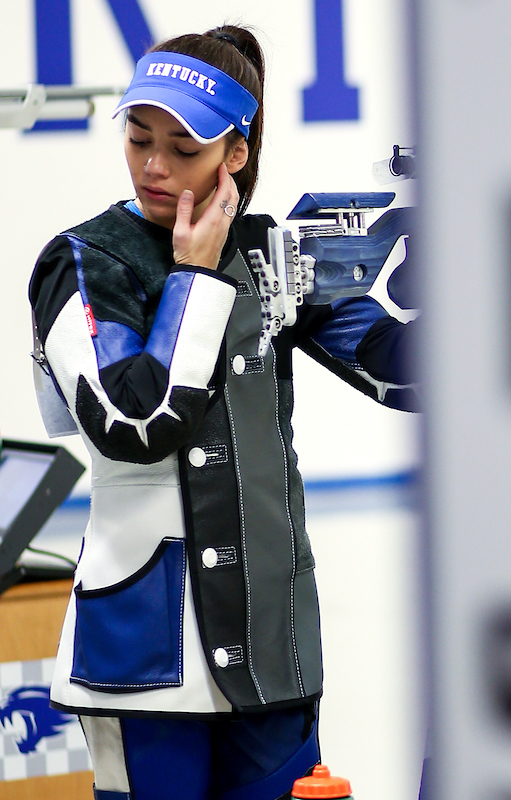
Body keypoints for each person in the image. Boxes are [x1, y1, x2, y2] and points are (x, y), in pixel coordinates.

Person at [26, 25, 417, 800]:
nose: (154, 166)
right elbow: (134, 422)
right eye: (138, 139)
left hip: (275, 650)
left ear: (235, 154)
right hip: (147, 657)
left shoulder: (271, 250)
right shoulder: (82, 260)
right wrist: (194, 276)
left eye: (184, 147)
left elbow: (409, 374)